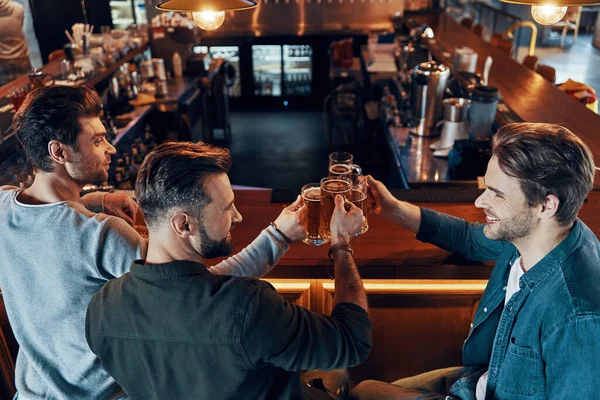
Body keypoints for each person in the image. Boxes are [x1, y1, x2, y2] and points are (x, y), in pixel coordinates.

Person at [0, 86, 305, 399]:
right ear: (59, 152)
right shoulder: (102, 236)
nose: (111, 149)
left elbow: (52, 223)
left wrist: (96, 198)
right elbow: (201, 295)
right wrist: (278, 236)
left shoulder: (4, 207)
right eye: (97, 140)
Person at [85, 141, 373, 400]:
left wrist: (279, 236)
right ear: (184, 225)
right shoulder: (249, 307)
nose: (238, 216)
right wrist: (341, 245)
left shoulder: (101, 308)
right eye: (227, 208)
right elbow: (353, 341)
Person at [350, 123, 600, 400]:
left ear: (545, 205)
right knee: (363, 390)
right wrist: (392, 208)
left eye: (497, 193)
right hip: (478, 380)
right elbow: (466, 238)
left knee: (363, 393)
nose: (481, 201)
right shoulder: (532, 233)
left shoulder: (579, 318)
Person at [0, 0, 31, 86]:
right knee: (30, 95)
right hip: (23, 60)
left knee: (7, 97)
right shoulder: (19, 8)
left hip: (3, 69)